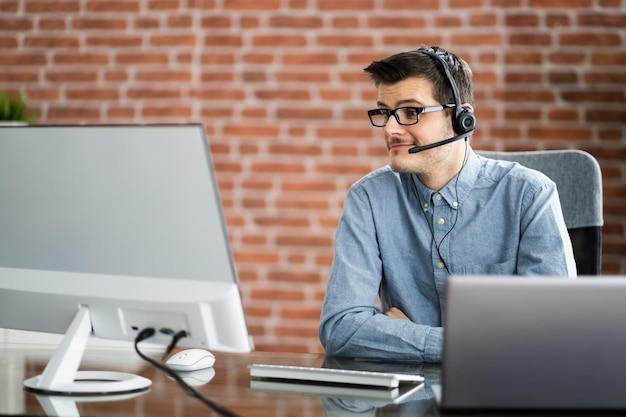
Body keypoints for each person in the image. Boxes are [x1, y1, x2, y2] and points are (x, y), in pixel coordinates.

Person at [318, 46, 576, 362]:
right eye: (385, 112)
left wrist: (403, 339)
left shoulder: (529, 195)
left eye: (410, 112)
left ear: (459, 118)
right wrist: (460, 346)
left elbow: (553, 332)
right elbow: (341, 328)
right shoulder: (370, 198)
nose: (390, 129)